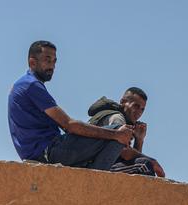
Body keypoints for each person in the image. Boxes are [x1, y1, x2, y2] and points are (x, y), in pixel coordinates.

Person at [7, 41, 133, 171]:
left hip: (41, 151)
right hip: (48, 151)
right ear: (32, 62)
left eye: (54, 61)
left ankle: (91, 173)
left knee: (113, 134)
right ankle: (95, 178)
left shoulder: (23, 84)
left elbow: (66, 126)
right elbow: (69, 125)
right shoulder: (32, 85)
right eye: (47, 60)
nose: (52, 66)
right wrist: (115, 134)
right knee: (120, 131)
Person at [87, 87, 165, 177]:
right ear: (123, 102)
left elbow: (129, 160)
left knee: (142, 165)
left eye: (142, 109)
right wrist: (153, 162)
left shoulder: (121, 119)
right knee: (144, 165)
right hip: (94, 167)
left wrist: (139, 139)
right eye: (136, 106)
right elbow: (125, 153)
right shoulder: (117, 118)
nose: (139, 112)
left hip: (101, 164)